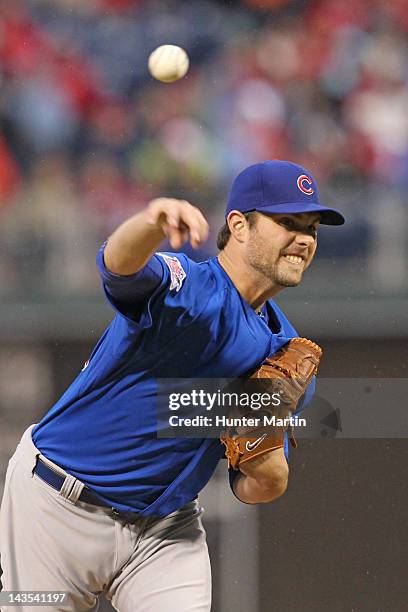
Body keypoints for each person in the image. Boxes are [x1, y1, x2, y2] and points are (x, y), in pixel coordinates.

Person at [0, 160, 344, 611]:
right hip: (56, 507)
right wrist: (150, 222)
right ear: (239, 225)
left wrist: (269, 469)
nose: (304, 238)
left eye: (313, 229)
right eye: (287, 223)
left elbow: (253, 485)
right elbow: (117, 267)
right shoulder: (191, 290)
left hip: (164, 530)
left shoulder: (286, 357)